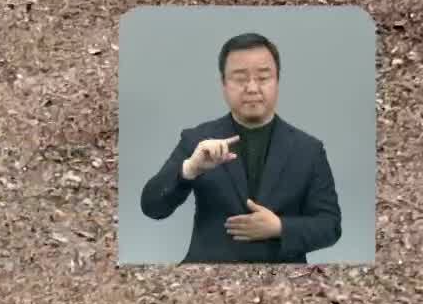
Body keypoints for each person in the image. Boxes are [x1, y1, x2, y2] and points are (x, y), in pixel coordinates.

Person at [138, 32, 342, 263]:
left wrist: (280, 227)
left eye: (263, 77)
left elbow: (330, 225)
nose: (252, 88)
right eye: (240, 78)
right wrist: (189, 170)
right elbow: (152, 207)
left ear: (277, 81)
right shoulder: (198, 140)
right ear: (224, 84)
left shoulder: (309, 150)